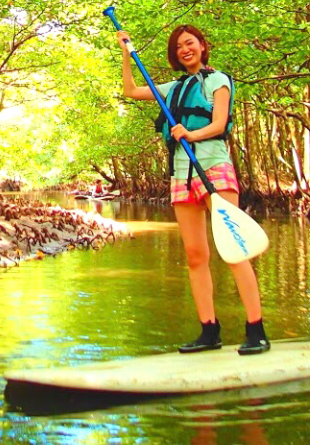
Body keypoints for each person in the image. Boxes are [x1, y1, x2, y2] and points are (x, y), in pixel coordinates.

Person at [115, 23, 270, 355]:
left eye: (190, 43)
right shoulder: (173, 86)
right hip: (182, 174)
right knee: (195, 255)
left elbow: (218, 122)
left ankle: (256, 329)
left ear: (201, 45)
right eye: (179, 47)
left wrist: (190, 134)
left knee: (233, 249)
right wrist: (126, 53)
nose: (185, 49)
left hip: (214, 167)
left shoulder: (219, 80)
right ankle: (209, 330)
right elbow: (130, 90)